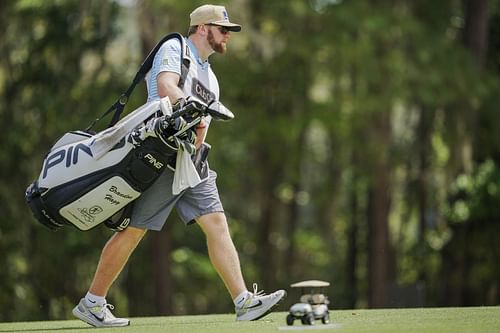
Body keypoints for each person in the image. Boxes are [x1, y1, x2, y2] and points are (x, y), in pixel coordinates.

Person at [72, 4, 285, 327]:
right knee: (133, 231)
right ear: (202, 29)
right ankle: (92, 302)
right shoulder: (176, 48)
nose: (227, 36)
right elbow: (165, 87)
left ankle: (244, 301)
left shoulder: (211, 78)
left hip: (190, 160)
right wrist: (192, 108)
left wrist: (199, 141)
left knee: (216, 223)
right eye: (222, 29)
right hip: (159, 153)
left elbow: (202, 131)